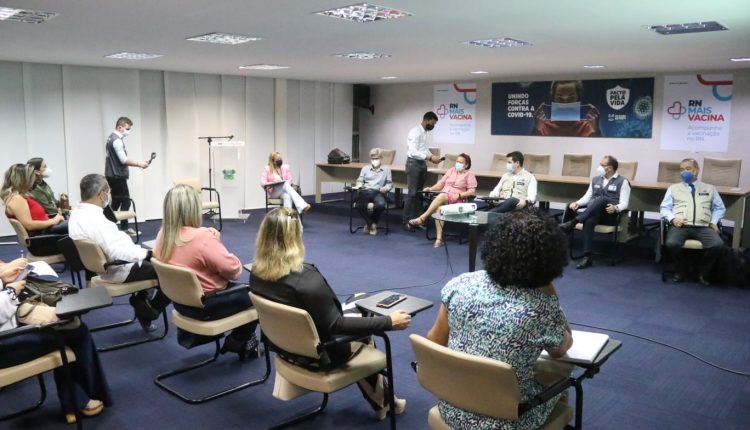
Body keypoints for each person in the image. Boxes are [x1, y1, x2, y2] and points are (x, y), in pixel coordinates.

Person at [250, 207, 411, 420]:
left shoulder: (255, 273)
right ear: (296, 237)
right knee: (367, 319)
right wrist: (388, 322)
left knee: (359, 299)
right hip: (321, 353)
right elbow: (336, 325)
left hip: (285, 347)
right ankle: (384, 402)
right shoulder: (306, 279)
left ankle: (384, 401)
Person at [426, 208, 573, 430]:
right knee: (563, 377)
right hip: (510, 421)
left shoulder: (460, 285)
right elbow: (561, 350)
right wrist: (550, 293)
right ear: (551, 260)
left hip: (452, 409)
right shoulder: (540, 309)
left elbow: (434, 344)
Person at [0, 258, 112, 424]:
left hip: (6, 331)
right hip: (4, 346)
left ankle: (75, 402)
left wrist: (3, 278)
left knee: (65, 326)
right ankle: (82, 400)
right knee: (74, 331)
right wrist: (10, 292)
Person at [154, 184, 259, 359]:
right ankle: (239, 340)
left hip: (181, 304)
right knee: (257, 296)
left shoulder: (162, 235)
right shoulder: (202, 238)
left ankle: (242, 341)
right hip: (207, 307)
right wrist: (215, 242)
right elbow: (234, 271)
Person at [68, 174, 169, 331]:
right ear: (102, 194)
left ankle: (142, 299)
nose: (109, 196)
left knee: (155, 263)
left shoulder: (76, 215)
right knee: (171, 271)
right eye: (108, 192)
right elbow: (117, 252)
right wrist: (148, 254)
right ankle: (150, 311)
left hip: (105, 268)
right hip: (121, 269)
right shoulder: (97, 221)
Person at [660, 158, 726, 286]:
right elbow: (664, 208)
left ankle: (702, 271)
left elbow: (720, 208)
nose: (684, 172)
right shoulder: (673, 188)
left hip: (704, 226)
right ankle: (681, 269)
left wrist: (713, 222)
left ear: (696, 170)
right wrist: (673, 219)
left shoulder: (709, 188)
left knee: (717, 245)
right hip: (681, 226)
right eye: (681, 169)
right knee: (671, 243)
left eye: (688, 169)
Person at [559, 155, 630, 269]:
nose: (599, 167)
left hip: (610, 216)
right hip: (595, 214)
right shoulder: (596, 179)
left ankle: (573, 222)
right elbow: (587, 197)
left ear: (610, 168)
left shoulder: (623, 181)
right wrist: (577, 203)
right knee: (589, 220)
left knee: (601, 199)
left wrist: (616, 208)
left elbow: (625, 203)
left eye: (602, 165)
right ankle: (587, 257)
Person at [408, 153, 477, 248]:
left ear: (466, 165)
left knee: (441, 196)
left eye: (460, 162)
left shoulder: (469, 175)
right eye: (457, 161)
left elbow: (472, 191)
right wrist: (430, 189)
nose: (457, 164)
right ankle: (439, 239)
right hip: (446, 198)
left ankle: (422, 218)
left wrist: (459, 195)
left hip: (458, 201)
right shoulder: (451, 171)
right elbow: (441, 184)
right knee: (439, 209)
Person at [2, 164, 67, 250]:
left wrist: (52, 219)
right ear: (24, 179)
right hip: (41, 241)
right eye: (32, 177)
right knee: (76, 229)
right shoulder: (16, 199)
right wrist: (54, 221)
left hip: (45, 234)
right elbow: (29, 225)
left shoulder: (19, 196)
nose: (34, 179)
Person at [104, 116, 150, 237]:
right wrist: (139, 164)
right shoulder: (117, 141)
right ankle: (122, 229)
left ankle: (107, 228)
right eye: (127, 129)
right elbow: (124, 160)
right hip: (117, 176)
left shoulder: (110, 138)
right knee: (125, 202)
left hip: (112, 175)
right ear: (120, 127)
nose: (128, 131)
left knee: (116, 202)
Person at [403, 111, 442, 231]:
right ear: (426, 119)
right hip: (413, 164)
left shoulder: (424, 132)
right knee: (412, 193)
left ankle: (416, 220)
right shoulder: (415, 132)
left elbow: (423, 148)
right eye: (432, 123)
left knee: (418, 194)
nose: (433, 126)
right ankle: (406, 221)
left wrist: (432, 157)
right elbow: (413, 152)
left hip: (421, 164)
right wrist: (429, 158)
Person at [531, 80, 601, 137]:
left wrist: (596, 130)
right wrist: (536, 129)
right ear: (553, 99)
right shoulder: (542, 127)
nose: (565, 103)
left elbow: (598, 148)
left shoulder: (588, 127)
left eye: (571, 98)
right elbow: (532, 147)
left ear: (578, 99)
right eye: (559, 98)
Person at [354, 148, 393, 235]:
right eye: (373, 159)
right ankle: (372, 225)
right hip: (365, 191)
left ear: (381, 158)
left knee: (381, 205)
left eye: (377, 158)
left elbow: (390, 184)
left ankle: (369, 225)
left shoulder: (386, 169)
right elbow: (359, 180)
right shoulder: (365, 168)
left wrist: (385, 188)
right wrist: (359, 185)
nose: (375, 160)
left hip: (378, 192)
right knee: (359, 205)